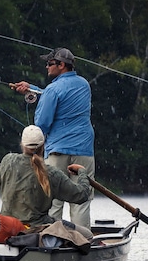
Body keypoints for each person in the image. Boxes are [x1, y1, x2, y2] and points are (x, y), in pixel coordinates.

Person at [10, 47, 96, 227]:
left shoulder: (52, 89)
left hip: (57, 151)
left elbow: (42, 124)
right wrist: (31, 89)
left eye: (50, 64)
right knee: (81, 200)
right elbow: (60, 95)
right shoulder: (84, 84)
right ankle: (81, 241)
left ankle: (51, 241)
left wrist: (38, 95)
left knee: (52, 199)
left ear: (61, 65)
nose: (47, 67)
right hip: (84, 150)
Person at [0, 125, 91, 228]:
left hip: (8, 227)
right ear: (43, 145)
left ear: (22, 144)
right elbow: (82, 195)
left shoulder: (8, 161)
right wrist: (82, 172)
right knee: (87, 234)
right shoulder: (52, 174)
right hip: (37, 229)